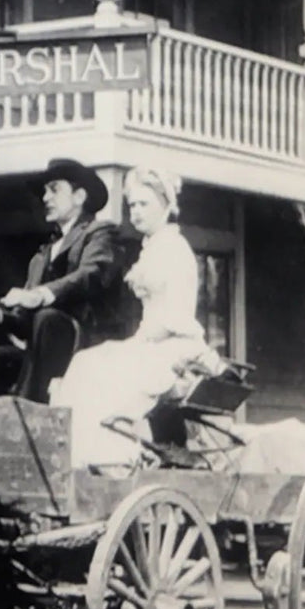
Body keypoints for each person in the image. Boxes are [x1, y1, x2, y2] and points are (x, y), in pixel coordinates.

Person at [52, 167, 223, 469]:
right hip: (152, 342)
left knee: (105, 367)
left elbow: (175, 317)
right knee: (84, 363)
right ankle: (81, 456)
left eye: (144, 204)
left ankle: (116, 455)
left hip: (176, 345)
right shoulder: (152, 248)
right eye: (132, 205)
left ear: (166, 205)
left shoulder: (174, 249)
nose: (137, 211)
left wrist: (139, 342)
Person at [0, 158, 128, 403]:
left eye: (54, 189)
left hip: (86, 348)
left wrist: (40, 294)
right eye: (44, 191)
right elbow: (25, 322)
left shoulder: (100, 234)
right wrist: (1, 315)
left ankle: (29, 409)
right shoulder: (42, 256)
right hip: (40, 355)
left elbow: (91, 275)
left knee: (48, 320)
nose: (45, 198)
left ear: (79, 196)